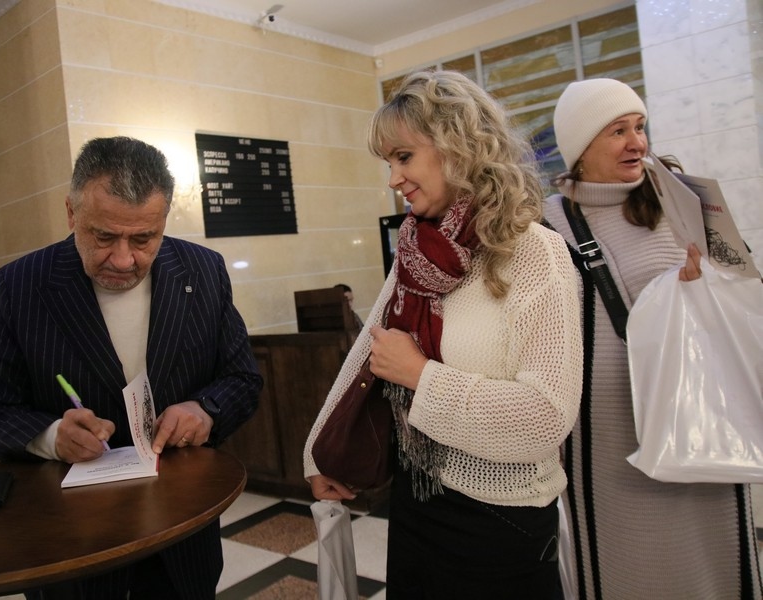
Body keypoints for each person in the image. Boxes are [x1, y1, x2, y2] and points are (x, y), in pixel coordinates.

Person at [303, 70, 584, 599]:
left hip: (501, 520)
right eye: (388, 163)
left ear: (458, 145)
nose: (393, 179)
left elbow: (546, 418)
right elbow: (366, 353)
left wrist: (420, 376)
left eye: (404, 157)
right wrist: (318, 454)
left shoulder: (535, 252)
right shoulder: (415, 249)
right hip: (417, 494)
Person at [0, 136, 263, 599]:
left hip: (182, 536)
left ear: (164, 221)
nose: (124, 260)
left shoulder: (203, 271)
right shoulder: (23, 285)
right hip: (73, 546)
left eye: (144, 239)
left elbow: (242, 379)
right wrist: (51, 436)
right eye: (103, 237)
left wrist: (205, 409)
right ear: (71, 213)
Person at [543, 78, 761, 599]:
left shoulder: (679, 199)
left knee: (712, 561)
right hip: (605, 432)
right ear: (580, 148)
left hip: (696, 417)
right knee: (626, 565)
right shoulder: (549, 223)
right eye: (617, 131)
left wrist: (708, 284)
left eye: (640, 127)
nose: (637, 142)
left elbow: (744, 288)